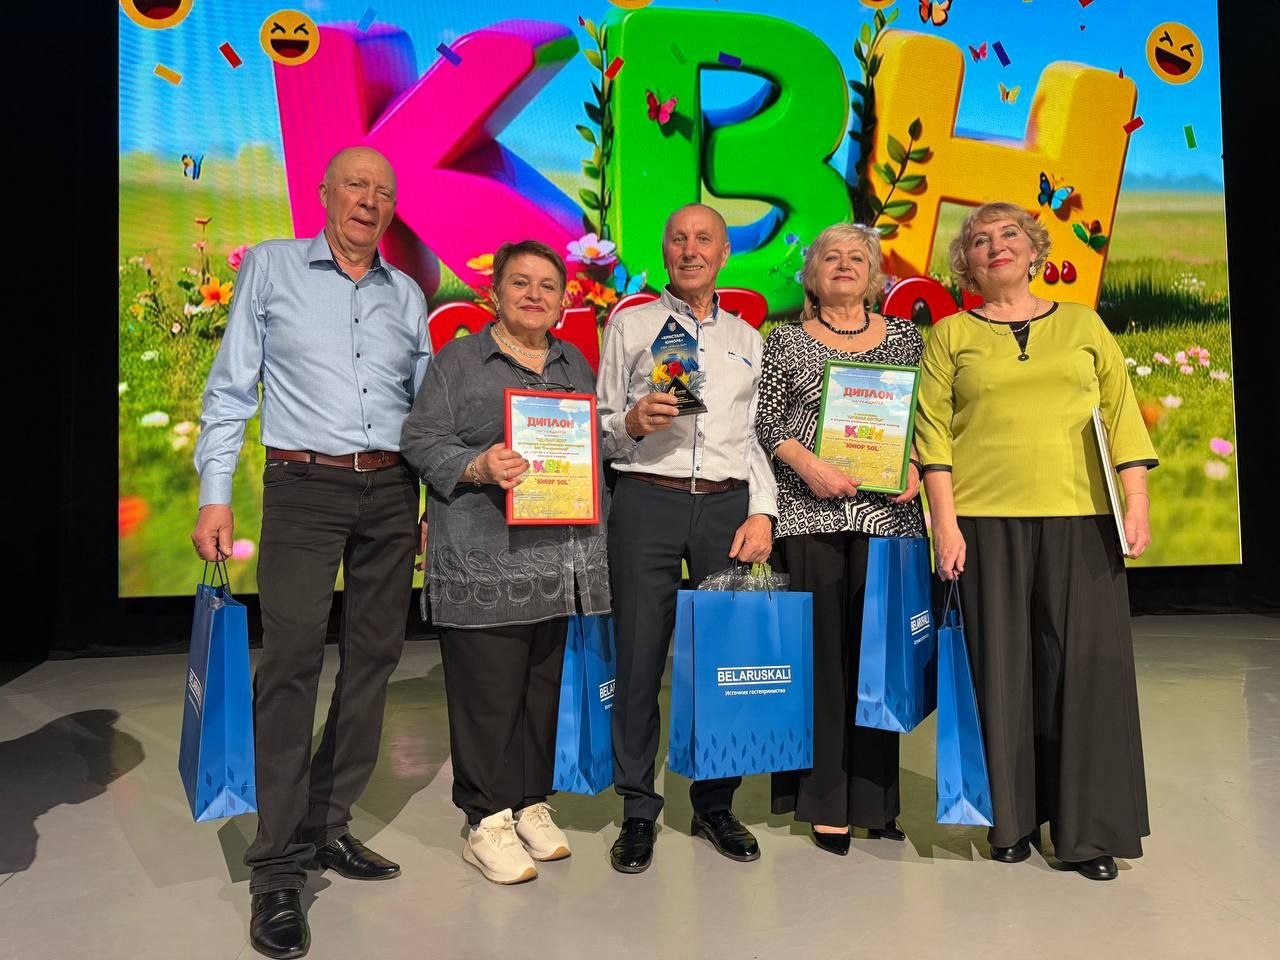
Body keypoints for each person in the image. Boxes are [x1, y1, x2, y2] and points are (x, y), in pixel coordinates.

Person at [191, 146, 429, 959]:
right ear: (325, 193)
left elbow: (423, 412)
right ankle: (277, 869)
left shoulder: (407, 294)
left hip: (391, 490)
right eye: (356, 185)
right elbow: (230, 389)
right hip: (303, 485)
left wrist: (428, 502)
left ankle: (327, 823)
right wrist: (214, 493)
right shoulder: (271, 268)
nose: (370, 199)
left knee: (374, 660)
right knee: (290, 662)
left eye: (383, 190)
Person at [915, 201, 1157, 882]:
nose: (995, 245)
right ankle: (1011, 820)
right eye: (979, 239)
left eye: (1009, 234)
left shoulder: (1083, 324)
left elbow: (1121, 415)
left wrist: (1135, 503)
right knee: (999, 672)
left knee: (1085, 673)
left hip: (1082, 520)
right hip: (983, 524)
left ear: (1033, 250)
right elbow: (932, 435)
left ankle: (1088, 832)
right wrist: (945, 523)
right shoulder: (951, 335)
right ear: (965, 263)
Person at [399, 240, 611, 885]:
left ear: (564, 300)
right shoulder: (461, 361)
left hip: (557, 562)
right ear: (494, 293)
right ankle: (485, 820)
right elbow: (419, 439)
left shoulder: (574, 363)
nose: (534, 295)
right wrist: (477, 465)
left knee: (540, 693)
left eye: (548, 285)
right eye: (520, 282)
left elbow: (590, 446)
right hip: (483, 562)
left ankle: (529, 802)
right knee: (487, 696)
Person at [596, 203, 777, 874]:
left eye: (704, 239)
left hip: (726, 507)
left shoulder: (747, 338)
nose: (690, 249)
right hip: (647, 498)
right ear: (665, 250)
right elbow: (601, 423)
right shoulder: (632, 324)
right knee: (639, 655)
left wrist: (763, 511)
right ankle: (638, 809)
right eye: (678, 238)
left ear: (725, 253)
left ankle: (714, 804)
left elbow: (754, 439)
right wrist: (631, 423)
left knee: (723, 662)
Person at [754, 223, 925, 856]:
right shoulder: (785, 340)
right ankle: (825, 802)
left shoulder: (906, 338)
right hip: (811, 515)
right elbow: (766, 422)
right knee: (822, 663)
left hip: (887, 520)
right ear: (811, 274)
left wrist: (913, 464)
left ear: (875, 276)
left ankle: (876, 801)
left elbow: (926, 419)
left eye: (858, 257)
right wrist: (811, 467)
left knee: (879, 664)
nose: (845, 264)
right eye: (832, 256)